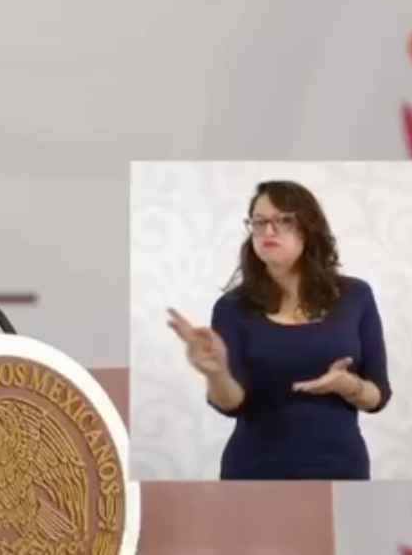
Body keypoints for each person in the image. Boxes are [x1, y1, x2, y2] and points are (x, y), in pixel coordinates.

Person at [165, 180, 392, 480]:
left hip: (339, 465)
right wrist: (215, 371)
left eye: (283, 220)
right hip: (254, 469)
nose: (268, 231)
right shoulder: (232, 307)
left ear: (309, 228)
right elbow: (233, 404)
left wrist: (347, 385)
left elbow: (379, 396)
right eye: (259, 223)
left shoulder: (356, 296)